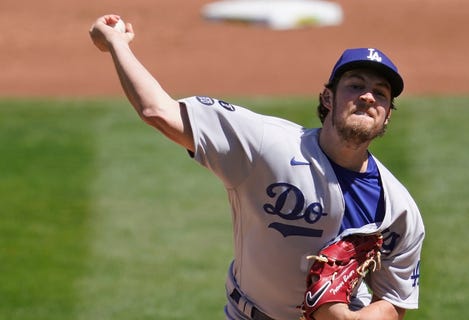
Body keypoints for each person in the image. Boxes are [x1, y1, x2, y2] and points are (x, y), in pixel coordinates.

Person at [89, 14, 425, 320]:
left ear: (388, 114)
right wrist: (116, 43)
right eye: (355, 85)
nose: (368, 97)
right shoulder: (267, 144)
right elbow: (158, 112)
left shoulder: (397, 209)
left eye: (380, 93)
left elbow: (395, 299)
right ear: (327, 98)